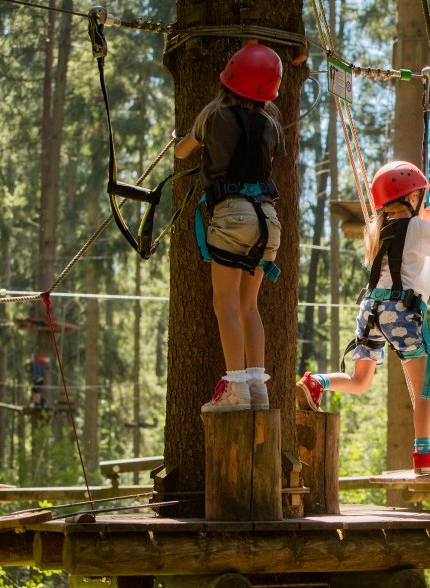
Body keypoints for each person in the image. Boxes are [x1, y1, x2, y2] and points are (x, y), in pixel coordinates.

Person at [295, 161, 430, 474]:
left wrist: (425, 223)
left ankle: (316, 381)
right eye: (421, 197)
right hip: (401, 312)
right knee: (427, 378)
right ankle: (424, 454)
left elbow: (409, 253)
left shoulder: (378, 228)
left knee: (360, 381)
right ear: (412, 198)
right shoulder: (418, 227)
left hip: (371, 310)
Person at [175, 42, 285, 413]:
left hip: (233, 215)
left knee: (224, 304)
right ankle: (257, 389)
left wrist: (187, 141)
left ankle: (236, 389)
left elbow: (182, 151)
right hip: (268, 220)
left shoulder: (213, 115)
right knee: (248, 306)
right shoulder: (271, 122)